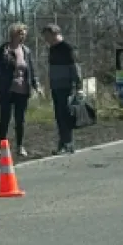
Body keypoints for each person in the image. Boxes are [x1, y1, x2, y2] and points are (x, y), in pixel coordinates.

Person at [0, 22, 40, 157]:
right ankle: (2, 146)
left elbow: (31, 69)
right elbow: (1, 67)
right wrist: (8, 56)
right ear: (13, 34)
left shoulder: (26, 50)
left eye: (24, 35)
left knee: (20, 119)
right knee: (5, 118)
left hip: (22, 89)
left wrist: (36, 84)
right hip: (6, 89)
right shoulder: (4, 49)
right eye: (21, 34)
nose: (23, 37)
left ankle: (20, 146)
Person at [40, 23, 83, 154]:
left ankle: (68, 143)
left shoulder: (67, 48)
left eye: (47, 36)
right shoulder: (52, 49)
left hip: (67, 86)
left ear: (55, 34)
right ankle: (63, 142)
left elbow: (75, 67)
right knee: (59, 116)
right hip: (56, 86)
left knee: (65, 115)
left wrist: (79, 86)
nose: (46, 39)